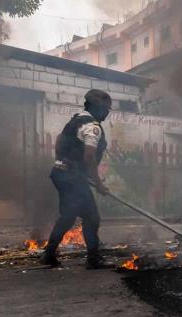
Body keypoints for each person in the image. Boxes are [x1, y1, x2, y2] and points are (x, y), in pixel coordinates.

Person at [41, 89, 115, 269]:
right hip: (72, 178)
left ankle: (49, 254)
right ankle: (93, 259)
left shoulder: (75, 121)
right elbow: (89, 157)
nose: (107, 113)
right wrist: (98, 184)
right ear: (97, 108)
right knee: (91, 217)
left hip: (61, 174)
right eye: (105, 109)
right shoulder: (93, 127)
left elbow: (59, 141)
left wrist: (64, 162)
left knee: (68, 216)